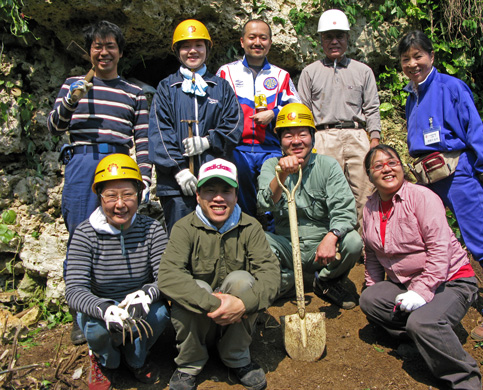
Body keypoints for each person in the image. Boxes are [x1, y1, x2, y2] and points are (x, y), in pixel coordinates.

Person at [398, 30, 483, 340]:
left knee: (479, 240)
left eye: (418, 56)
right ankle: (441, 294)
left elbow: (473, 129)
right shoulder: (412, 94)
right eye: (406, 59)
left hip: (458, 174)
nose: (412, 63)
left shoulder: (450, 87)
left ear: (432, 57)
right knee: (435, 240)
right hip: (429, 177)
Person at [47, 20, 152, 345]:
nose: (103, 52)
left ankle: (122, 306)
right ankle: (83, 316)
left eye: (110, 46)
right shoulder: (72, 84)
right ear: (89, 51)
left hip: (120, 165)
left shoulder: (134, 92)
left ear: (120, 52)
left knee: (122, 233)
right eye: (97, 46)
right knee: (80, 235)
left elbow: (143, 140)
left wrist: (144, 179)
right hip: (82, 161)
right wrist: (71, 101)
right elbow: (54, 127)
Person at [359, 144, 481, 389]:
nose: (387, 168)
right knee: (370, 299)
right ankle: (420, 340)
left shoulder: (422, 197)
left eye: (392, 162)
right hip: (408, 283)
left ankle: (464, 379)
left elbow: (440, 250)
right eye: (378, 165)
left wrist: (421, 292)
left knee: (422, 322)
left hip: (451, 280)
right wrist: (373, 286)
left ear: (402, 167)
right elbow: (372, 255)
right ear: (369, 175)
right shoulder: (369, 208)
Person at [158, 158, 279, 390]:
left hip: (237, 321)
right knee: (194, 288)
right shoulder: (184, 228)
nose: (218, 198)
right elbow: (168, 275)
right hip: (199, 318)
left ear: (236, 195)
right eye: (210, 191)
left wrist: (243, 304)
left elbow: (271, 274)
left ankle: (236, 356)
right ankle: (189, 363)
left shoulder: (250, 227)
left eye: (226, 191)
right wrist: (214, 305)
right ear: (198, 196)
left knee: (243, 281)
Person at [65, 154, 170, 390]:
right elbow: (74, 290)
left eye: (128, 195)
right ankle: (105, 362)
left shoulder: (151, 229)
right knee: (96, 328)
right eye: (111, 196)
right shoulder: (85, 234)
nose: (120, 204)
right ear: (100, 198)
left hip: (137, 305)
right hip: (102, 306)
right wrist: (104, 308)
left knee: (160, 313)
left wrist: (147, 294)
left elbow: (165, 275)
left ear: (139, 194)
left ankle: (136, 360)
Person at [257, 103, 362, 309]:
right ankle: (288, 280)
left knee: (353, 241)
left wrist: (331, 237)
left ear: (312, 137)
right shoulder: (271, 165)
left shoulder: (328, 165)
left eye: (302, 134)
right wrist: (282, 174)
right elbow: (264, 204)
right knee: (257, 240)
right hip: (286, 245)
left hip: (321, 249)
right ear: (280, 141)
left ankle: (326, 281)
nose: (296, 141)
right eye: (288, 135)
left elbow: (345, 210)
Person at [148, 19, 242, 233]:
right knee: (181, 240)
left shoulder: (221, 87)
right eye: (185, 46)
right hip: (175, 185)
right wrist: (179, 170)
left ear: (207, 49)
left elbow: (234, 124)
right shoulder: (166, 88)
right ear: (177, 51)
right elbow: (159, 133)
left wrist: (208, 141)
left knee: (217, 241)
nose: (192, 51)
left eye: (198, 45)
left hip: (215, 183)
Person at [298, 9, 382, 228]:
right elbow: (304, 111)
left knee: (365, 190)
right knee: (326, 190)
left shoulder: (363, 71)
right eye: (328, 37)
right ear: (321, 40)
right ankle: (333, 242)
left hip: (357, 135)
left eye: (339, 36)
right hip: (323, 135)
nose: (334, 41)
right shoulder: (310, 72)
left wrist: (374, 140)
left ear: (348, 38)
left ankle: (367, 246)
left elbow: (372, 107)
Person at [216, 19, 300, 222]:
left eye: (263, 38)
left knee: (272, 197)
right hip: (238, 148)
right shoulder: (226, 72)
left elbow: (296, 109)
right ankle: (245, 235)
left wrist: (275, 112)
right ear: (242, 41)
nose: (257, 42)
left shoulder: (281, 75)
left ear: (270, 43)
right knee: (240, 202)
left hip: (269, 148)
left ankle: (273, 241)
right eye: (252, 37)